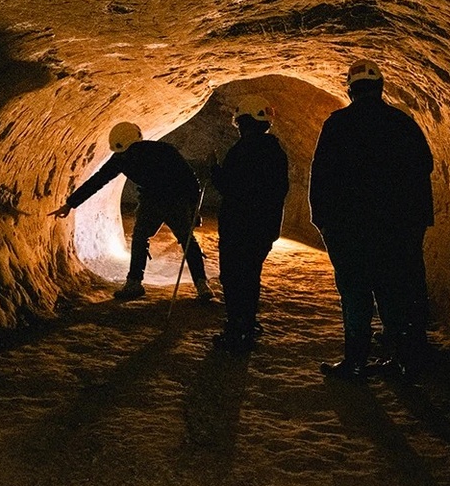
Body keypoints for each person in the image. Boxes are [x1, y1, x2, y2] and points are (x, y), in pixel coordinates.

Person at [309, 60, 434, 380]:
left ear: (350, 90)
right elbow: (424, 167)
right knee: (393, 291)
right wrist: (414, 224)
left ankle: (355, 362)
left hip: (350, 228)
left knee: (355, 292)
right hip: (394, 229)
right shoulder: (402, 123)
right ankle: (403, 360)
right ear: (380, 89)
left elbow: (321, 175)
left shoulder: (338, 124)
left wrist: (323, 221)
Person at [51, 121, 212, 302]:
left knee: (155, 238)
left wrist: (193, 210)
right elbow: (192, 181)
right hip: (161, 201)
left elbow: (189, 181)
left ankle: (140, 283)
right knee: (178, 239)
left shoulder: (128, 157)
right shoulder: (156, 151)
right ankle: (198, 284)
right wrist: (71, 203)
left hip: (168, 201)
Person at [209, 95, 290, 351]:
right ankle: (248, 323)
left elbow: (230, 187)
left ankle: (237, 331)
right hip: (264, 228)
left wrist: (214, 170)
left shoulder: (243, 150)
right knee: (250, 275)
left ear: (243, 121)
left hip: (239, 227)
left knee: (234, 278)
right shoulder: (276, 151)